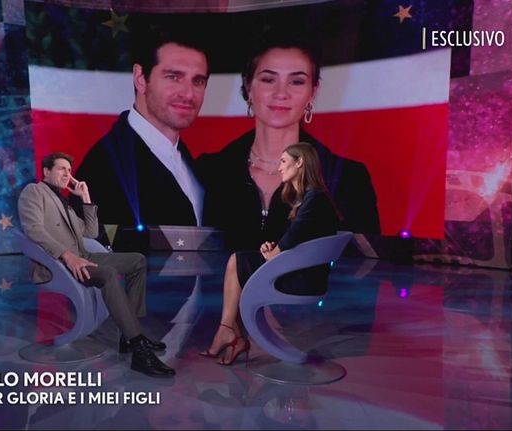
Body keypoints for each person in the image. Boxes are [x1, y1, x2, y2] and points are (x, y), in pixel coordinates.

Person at [198, 35, 379, 252]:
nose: (281, 93)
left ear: (313, 92)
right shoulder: (210, 172)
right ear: (248, 87)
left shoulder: (347, 179)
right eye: (268, 79)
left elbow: (362, 267)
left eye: (297, 81)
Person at [18, 152, 175, 378]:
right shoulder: (34, 191)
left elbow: (90, 233)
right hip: (58, 264)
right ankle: (138, 347)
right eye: (61, 169)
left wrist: (85, 198)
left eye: (69, 170)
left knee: (138, 261)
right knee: (108, 274)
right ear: (46, 171)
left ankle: (129, 334)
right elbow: (33, 230)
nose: (67, 174)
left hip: (83, 255)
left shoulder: (65, 202)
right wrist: (68, 256)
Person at [200, 143, 339, 365]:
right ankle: (231, 333)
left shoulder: (315, 199)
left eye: (283, 161)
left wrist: (272, 254)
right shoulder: (311, 197)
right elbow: (296, 241)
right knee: (239, 261)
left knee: (236, 261)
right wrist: (272, 249)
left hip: (302, 280)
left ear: (300, 162)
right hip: (302, 273)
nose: (279, 167)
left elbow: (292, 239)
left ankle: (228, 331)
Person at [72, 31, 209, 229]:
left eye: (198, 81)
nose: (188, 94)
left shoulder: (200, 169)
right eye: (173, 77)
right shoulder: (102, 170)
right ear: (140, 78)